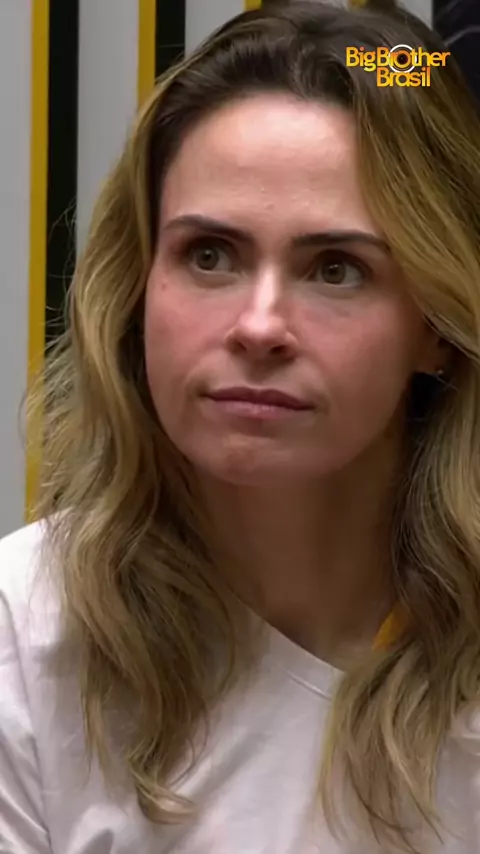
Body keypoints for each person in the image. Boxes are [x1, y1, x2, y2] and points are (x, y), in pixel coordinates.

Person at [1, 1, 480, 852]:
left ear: (437, 326)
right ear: (138, 288)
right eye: (209, 255)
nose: (260, 327)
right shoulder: (25, 632)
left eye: (335, 269)